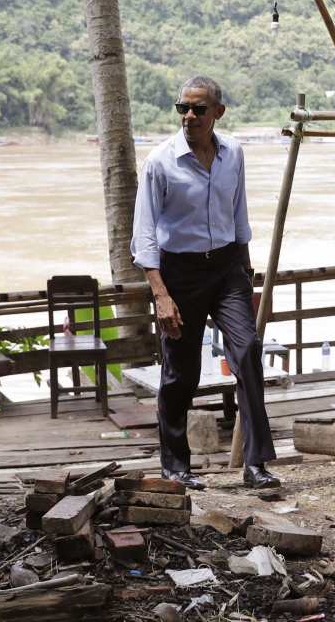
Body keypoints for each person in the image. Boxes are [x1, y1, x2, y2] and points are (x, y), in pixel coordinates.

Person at [130, 75, 280, 490]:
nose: (189, 117)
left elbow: (240, 215)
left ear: (218, 111)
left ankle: (256, 465)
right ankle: (176, 466)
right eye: (183, 108)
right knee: (181, 371)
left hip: (228, 267)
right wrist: (161, 295)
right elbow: (144, 235)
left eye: (198, 109)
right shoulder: (161, 162)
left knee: (248, 351)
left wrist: (246, 275)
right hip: (179, 272)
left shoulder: (234, 152)